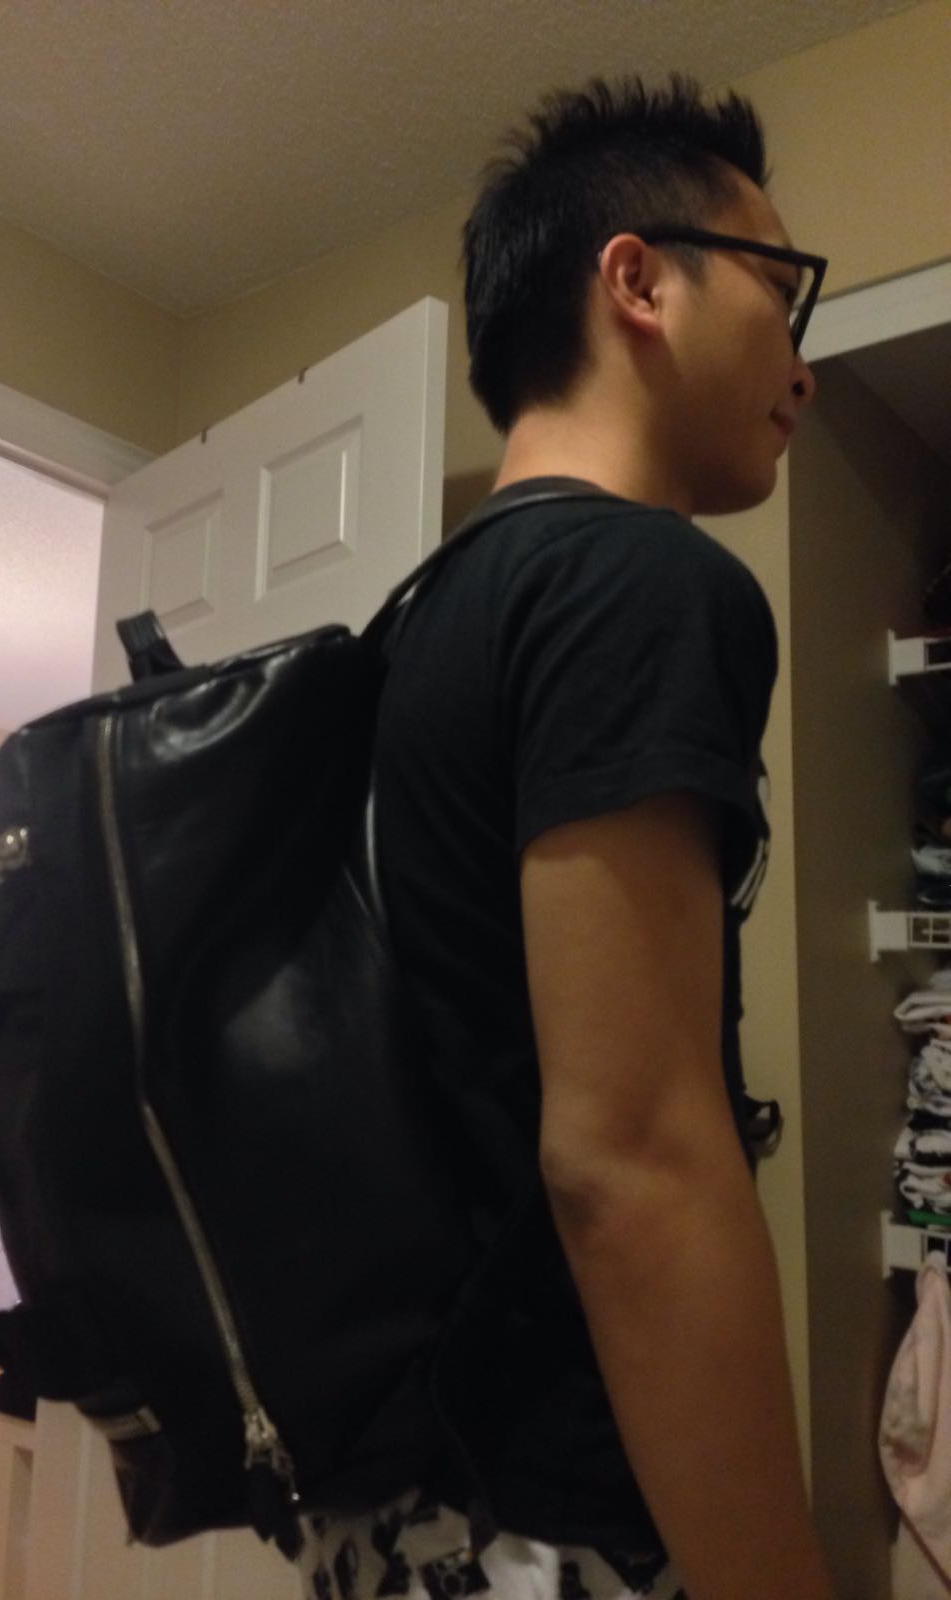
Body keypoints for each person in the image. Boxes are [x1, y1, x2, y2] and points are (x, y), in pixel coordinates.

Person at [298, 76, 835, 1600]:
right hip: (555, 1521)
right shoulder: (639, 585)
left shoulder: (423, 618)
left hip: (401, 1503)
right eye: (782, 290)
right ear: (639, 280)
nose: (802, 369)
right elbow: (629, 1156)